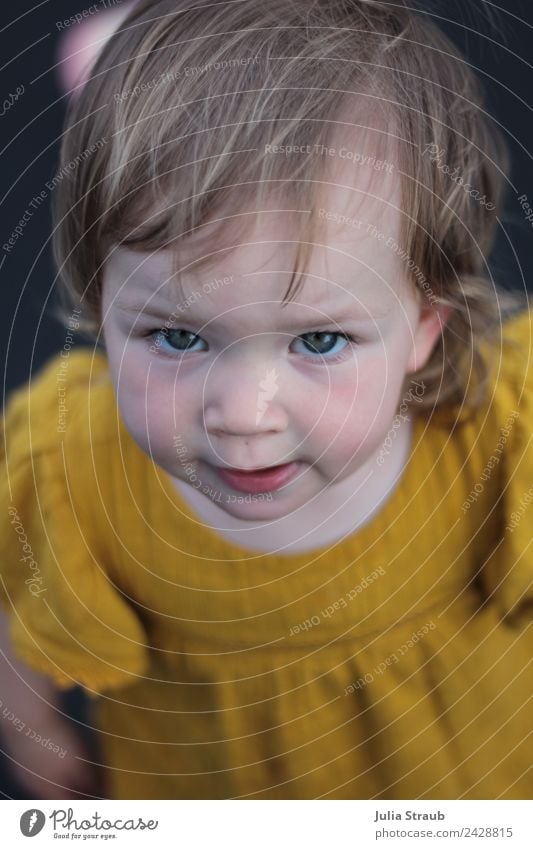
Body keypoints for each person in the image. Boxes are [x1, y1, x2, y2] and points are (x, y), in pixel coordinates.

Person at [1, 0, 531, 800]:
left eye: (317, 342)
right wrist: (36, 742)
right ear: (98, 298)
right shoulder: (71, 464)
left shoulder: (498, 433)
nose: (244, 415)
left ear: (423, 326)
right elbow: (22, 614)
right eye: (177, 337)